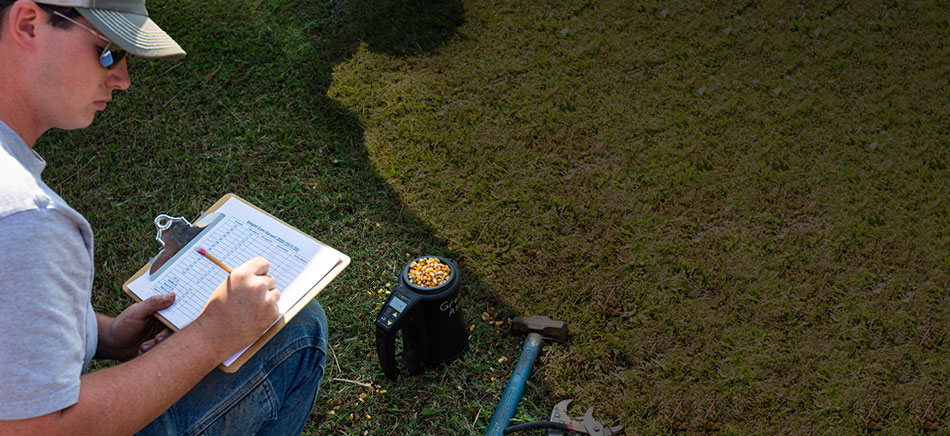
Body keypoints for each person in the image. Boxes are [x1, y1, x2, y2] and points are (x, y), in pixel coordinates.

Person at [0, 1, 328, 435]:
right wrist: (212, 335)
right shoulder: (27, 219)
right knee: (300, 330)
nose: (122, 78)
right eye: (109, 50)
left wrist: (104, 335)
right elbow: (38, 429)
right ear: (28, 23)